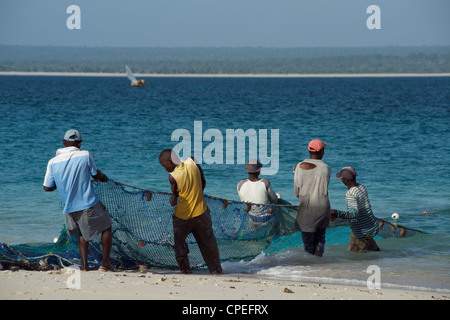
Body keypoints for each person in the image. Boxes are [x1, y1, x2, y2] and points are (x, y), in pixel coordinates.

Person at [43, 129, 112, 271]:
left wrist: (62, 183)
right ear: (79, 144)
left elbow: (47, 188)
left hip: (69, 208)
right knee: (106, 226)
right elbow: (95, 174)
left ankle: (85, 266)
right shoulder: (85, 155)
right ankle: (105, 265)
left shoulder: (52, 162)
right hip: (88, 204)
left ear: (63, 143)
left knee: (82, 233)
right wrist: (103, 177)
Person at [159, 149, 222, 274]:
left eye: (164, 165)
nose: (164, 169)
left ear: (169, 161)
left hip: (183, 216)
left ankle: (186, 270)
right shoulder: (193, 161)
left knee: (179, 245)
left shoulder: (173, 177)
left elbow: (175, 193)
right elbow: (203, 181)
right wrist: (197, 194)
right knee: (209, 244)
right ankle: (216, 270)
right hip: (202, 212)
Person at [293, 139, 331, 257]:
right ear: (322, 152)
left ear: (308, 150)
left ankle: (310, 268)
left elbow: (296, 192)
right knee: (320, 240)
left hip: (307, 209)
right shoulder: (327, 168)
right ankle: (319, 266)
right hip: (323, 208)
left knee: (308, 245)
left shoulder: (298, 167)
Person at [330, 167, 380, 252]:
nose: (342, 181)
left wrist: (337, 213)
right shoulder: (361, 187)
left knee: (354, 256)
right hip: (371, 226)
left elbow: (354, 214)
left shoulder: (350, 194)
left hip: (362, 231)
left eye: (342, 179)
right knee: (373, 250)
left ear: (346, 180)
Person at [237, 159, 279, 230]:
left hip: (252, 218)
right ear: (259, 170)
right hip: (266, 219)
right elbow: (274, 200)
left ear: (247, 171)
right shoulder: (265, 182)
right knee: (277, 200)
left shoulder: (240, 184)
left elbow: (243, 201)